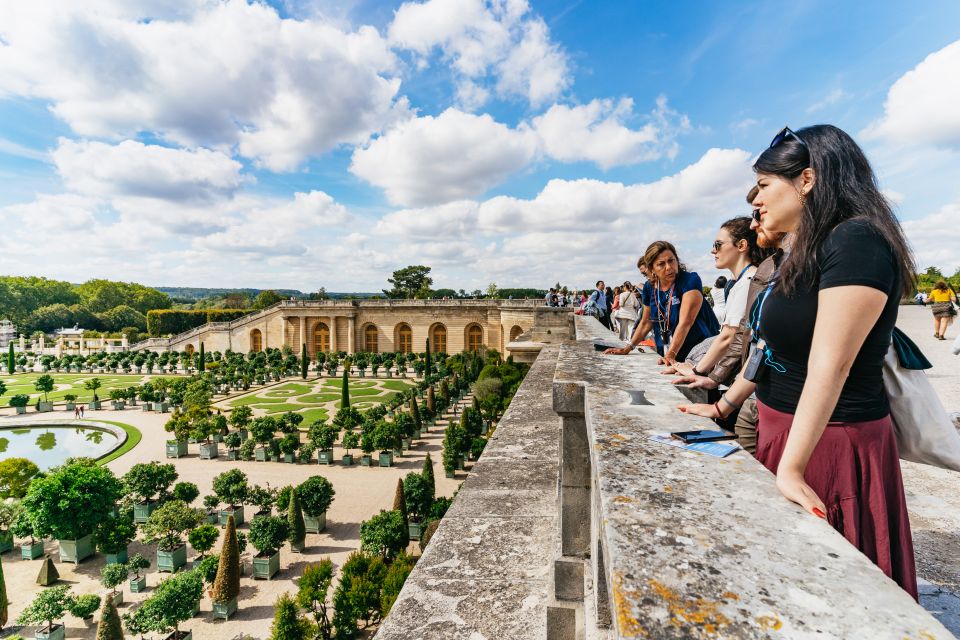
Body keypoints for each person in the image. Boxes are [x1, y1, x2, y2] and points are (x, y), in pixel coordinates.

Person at [677, 124, 918, 599]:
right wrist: (722, 409)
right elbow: (772, 350)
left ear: (807, 180)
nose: (757, 203)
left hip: (829, 442)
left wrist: (792, 468)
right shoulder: (807, 250)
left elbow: (831, 366)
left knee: (828, 593)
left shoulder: (857, 241)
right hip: (790, 434)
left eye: (765, 186)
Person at [606, 241, 720, 362]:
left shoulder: (690, 280)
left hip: (696, 353)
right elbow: (646, 322)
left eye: (671, 260)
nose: (669, 267)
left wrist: (671, 355)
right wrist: (628, 348)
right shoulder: (649, 288)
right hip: (667, 352)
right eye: (661, 264)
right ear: (652, 268)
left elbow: (685, 322)